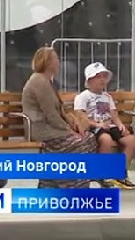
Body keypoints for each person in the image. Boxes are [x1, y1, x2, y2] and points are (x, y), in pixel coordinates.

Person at [21, 47, 98, 189]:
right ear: (48, 62)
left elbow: (60, 109)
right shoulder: (39, 82)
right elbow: (51, 114)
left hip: (53, 128)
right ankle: (71, 183)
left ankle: (56, 182)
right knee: (83, 142)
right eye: (56, 58)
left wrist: (74, 123)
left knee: (88, 138)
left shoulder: (48, 81)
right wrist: (70, 132)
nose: (58, 62)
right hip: (43, 130)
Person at [73, 62, 135, 190]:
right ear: (89, 80)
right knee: (106, 140)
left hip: (109, 126)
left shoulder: (107, 97)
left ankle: (120, 173)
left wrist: (120, 125)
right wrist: (97, 124)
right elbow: (80, 117)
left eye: (104, 77)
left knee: (131, 140)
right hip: (93, 127)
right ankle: (103, 173)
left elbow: (114, 115)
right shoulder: (83, 97)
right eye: (98, 77)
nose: (102, 80)